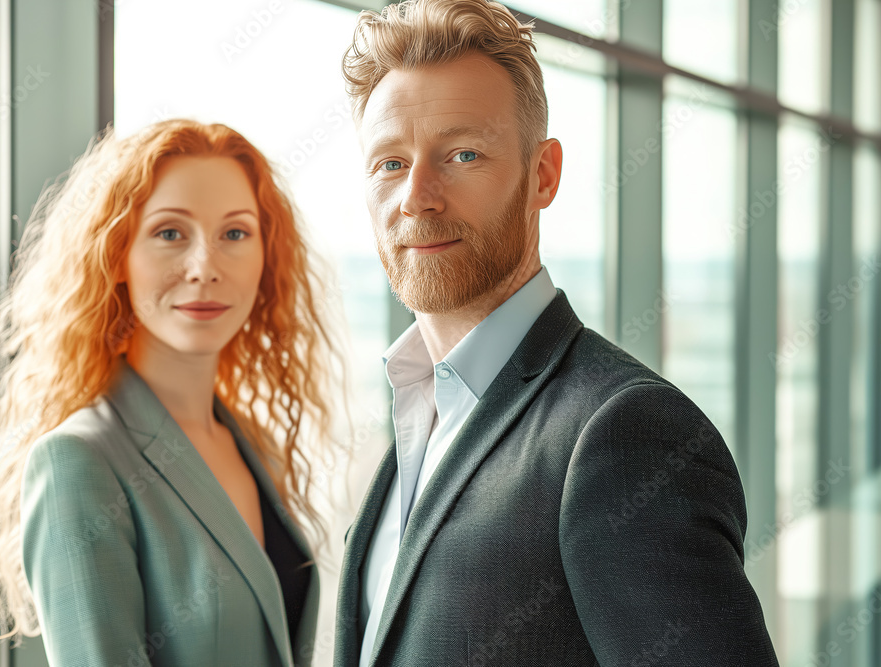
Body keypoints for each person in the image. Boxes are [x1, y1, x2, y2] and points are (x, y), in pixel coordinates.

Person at [333, 1, 780, 665]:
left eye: (462, 154)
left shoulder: (625, 432)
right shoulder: (415, 412)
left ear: (542, 174)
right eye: (390, 163)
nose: (418, 196)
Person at [0, 119, 341, 667]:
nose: (204, 267)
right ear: (117, 256)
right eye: (169, 233)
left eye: (235, 233)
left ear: (266, 259)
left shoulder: (253, 444)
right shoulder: (77, 462)